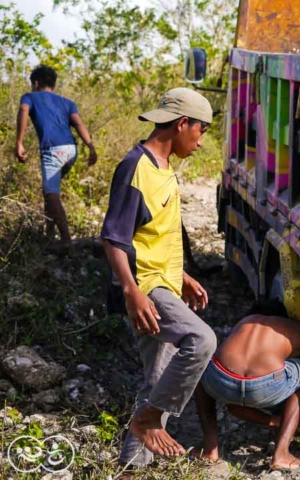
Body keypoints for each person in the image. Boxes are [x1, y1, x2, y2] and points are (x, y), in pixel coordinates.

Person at [101, 87, 217, 468]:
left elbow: (151, 231)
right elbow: (114, 238)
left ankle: (130, 471)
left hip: (164, 284)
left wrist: (181, 273)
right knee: (201, 339)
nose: (200, 142)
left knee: (157, 383)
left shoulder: (164, 169)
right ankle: (149, 420)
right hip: (146, 288)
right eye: (200, 131)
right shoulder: (136, 167)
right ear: (182, 124)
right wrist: (132, 291)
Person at [195, 300, 300, 475]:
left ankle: (209, 448)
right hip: (263, 388)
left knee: (201, 372)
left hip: (223, 382)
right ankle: (282, 454)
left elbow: (234, 405)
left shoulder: (244, 323)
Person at [15, 65, 98, 245]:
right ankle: (49, 233)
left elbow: (23, 109)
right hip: (71, 150)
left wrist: (19, 142)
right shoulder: (67, 102)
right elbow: (79, 124)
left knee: (51, 194)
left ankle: (66, 240)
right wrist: (91, 147)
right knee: (49, 191)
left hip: (53, 150)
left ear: (35, 83)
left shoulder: (30, 97)